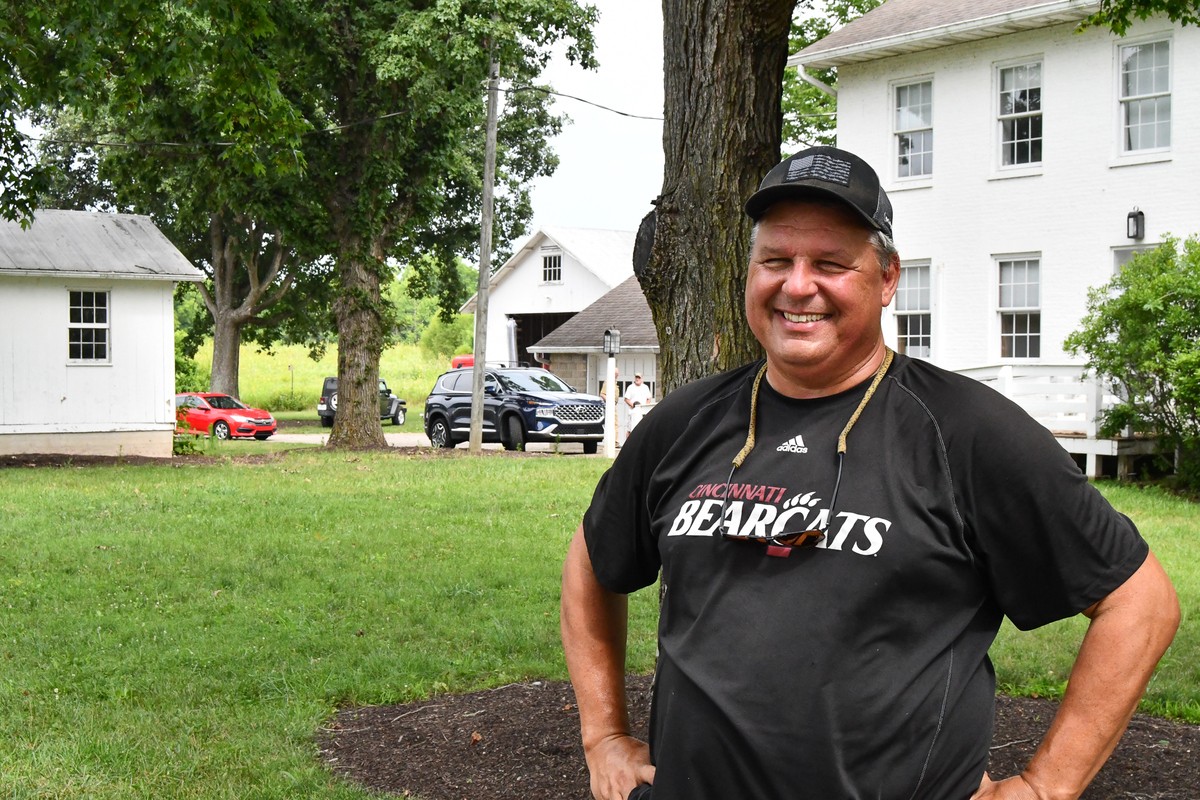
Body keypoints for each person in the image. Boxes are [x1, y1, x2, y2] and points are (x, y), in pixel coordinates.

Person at [560, 146, 1179, 800]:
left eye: (830, 263)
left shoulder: (965, 432)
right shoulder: (686, 422)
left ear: (886, 280)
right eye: (775, 261)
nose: (798, 285)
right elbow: (592, 559)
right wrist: (603, 737)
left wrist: (1046, 786)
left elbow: (1138, 602)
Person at [623, 373, 653, 438]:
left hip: (642, 412)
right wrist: (633, 405)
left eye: (639, 377)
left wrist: (645, 407)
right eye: (636, 377)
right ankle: (627, 446)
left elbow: (649, 398)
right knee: (630, 430)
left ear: (642, 379)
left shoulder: (645, 387)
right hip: (633, 411)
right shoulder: (631, 387)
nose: (637, 379)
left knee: (642, 429)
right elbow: (626, 399)